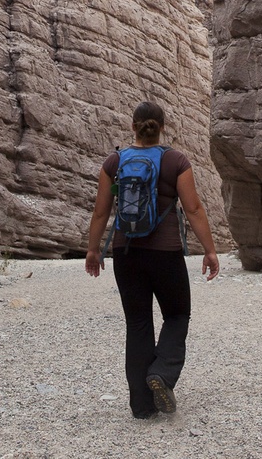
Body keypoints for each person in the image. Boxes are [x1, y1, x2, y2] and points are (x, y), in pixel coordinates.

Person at [85, 101, 220, 419]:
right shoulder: (176, 161)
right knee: (176, 316)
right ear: (163, 126)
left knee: (138, 324)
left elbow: (101, 211)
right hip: (166, 253)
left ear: (133, 127)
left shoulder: (114, 162)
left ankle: (142, 406)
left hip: (126, 253)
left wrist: (93, 251)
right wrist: (210, 250)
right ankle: (161, 372)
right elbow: (194, 209)